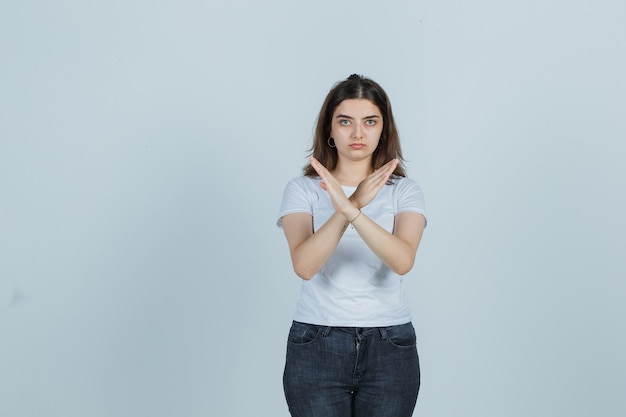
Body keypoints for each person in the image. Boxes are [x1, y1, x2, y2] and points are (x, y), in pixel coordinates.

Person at [277, 74, 427, 417]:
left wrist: (351, 210)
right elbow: (304, 265)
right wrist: (351, 205)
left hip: (390, 345)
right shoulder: (302, 189)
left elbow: (402, 260)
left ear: (383, 130)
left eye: (369, 122)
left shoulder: (404, 191)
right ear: (329, 130)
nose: (358, 133)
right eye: (345, 122)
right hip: (316, 342)